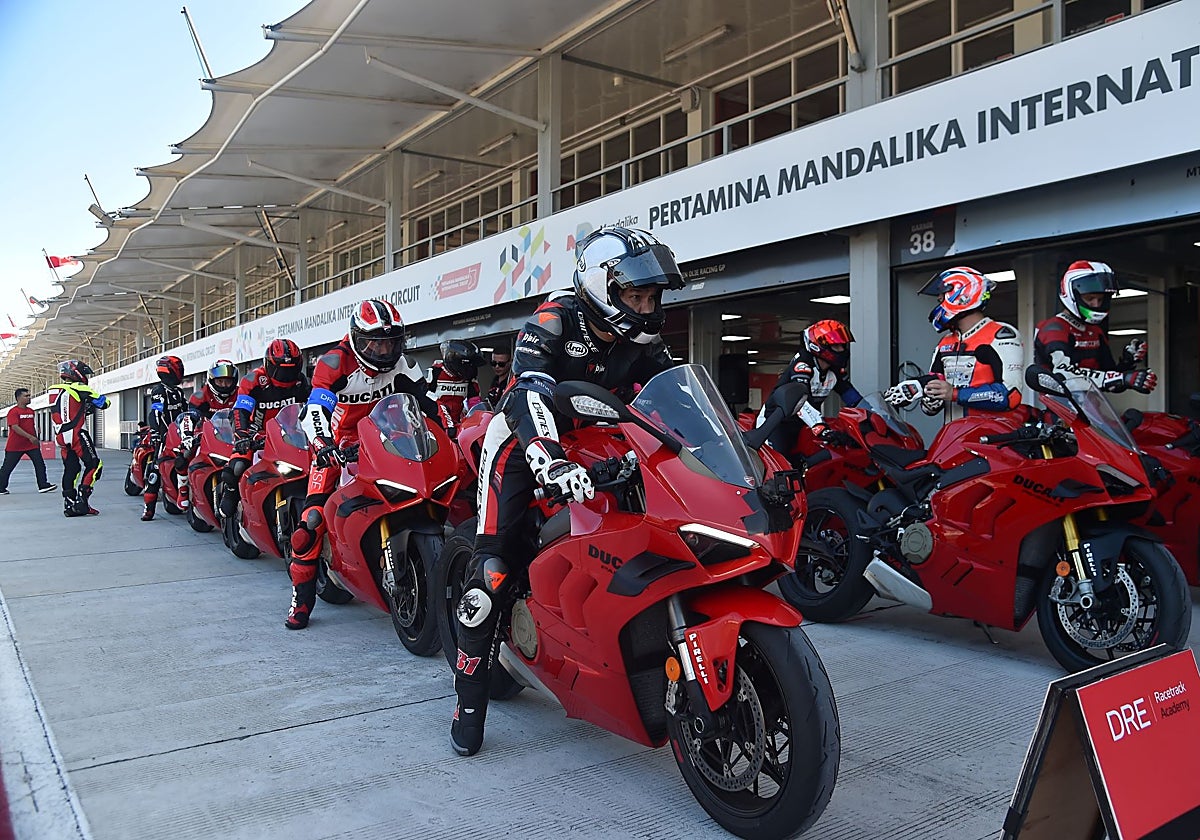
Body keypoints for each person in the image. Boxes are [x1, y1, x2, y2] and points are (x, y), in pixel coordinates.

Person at [450, 226, 682, 757]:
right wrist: (548, 459)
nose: (647, 308)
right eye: (636, 296)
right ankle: (468, 705)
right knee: (491, 575)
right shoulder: (555, 319)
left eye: (652, 297)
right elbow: (528, 391)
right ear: (602, 286)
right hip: (520, 445)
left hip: (598, 444)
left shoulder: (643, 339)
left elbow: (674, 396)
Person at [287, 300, 440, 630]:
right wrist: (323, 444)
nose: (384, 351)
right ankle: (301, 601)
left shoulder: (402, 363)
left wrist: (448, 430)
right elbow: (316, 410)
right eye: (374, 343)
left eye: (390, 342)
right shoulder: (334, 363)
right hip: (337, 446)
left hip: (385, 440)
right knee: (311, 522)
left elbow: (428, 403)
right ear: (356, 338)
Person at [884, 266, 1024, 420]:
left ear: (962, 296)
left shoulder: (1000, 335)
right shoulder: (946, 341)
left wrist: (955, 394)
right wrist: (925, 393)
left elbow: (1011, 395)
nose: (939, 299)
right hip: (953, 431)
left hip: (991, 432)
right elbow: (935, 385)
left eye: (942, 296)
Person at [1033, 260, 1157, 395]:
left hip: (1092, 405)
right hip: (1058, 405)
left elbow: (1110, 382)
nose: (1096, 304)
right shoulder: (1054, 329)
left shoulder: (1095, 331)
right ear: (1072, 294)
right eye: (1090, 298)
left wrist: (1128, 363)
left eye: (1100, 299)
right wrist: (1121, 378)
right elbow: (1065, 376)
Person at [219, 339, 309, 519]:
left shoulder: (301, 382)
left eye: (291, 369)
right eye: (281, 370)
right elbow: (241, 410)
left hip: (289, 434)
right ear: (269, 365)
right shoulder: (253, 381)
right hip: (255, 434)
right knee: (236, 467)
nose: (286, 375)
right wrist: (242, 435)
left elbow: (309, 408)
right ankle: (230, 493)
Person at [757, 319, 861, 467]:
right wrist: (820, 427)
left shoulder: (835, 371)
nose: (842, 350)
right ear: (820, 346)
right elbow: (799, 401)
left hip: (803, 424)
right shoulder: (803, 365)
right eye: (836, 346)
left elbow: (853, 399)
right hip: (776, 423)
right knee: (781, 466)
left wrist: (872, 416)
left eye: (843, 345)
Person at [171, 360, 240, 507]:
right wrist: (188, 435)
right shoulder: (200, 396)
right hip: (205, 432)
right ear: (212, 380)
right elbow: (189, 416)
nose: (224, 385)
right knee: (184, 454)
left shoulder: (241, 394)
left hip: (234, 433)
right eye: (220, 381)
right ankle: (183, 489)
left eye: (227, 381)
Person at [50, 360, 108, 516]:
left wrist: (83, 407)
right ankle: (82, 502)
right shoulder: (79, 387)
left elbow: (66, 410)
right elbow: (104, 403)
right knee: (95, 465)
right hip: (77, 434)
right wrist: (92, 402)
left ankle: (69, 505)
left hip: (60, 437)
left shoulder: (54, 391)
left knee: (71, 469)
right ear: (76, 373)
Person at [141, 355, 189, 521]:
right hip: (164, 437)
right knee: (155, 471)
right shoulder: (159, 391)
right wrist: (156, 432)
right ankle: (148, 509)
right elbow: (155, 413)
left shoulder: (178, 392)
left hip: (181, 435)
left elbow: (188, 412)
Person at [0, 388, 56, 495]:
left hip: (31, 445)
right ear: (18, 398)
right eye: (26, 396)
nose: (29, 398)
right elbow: (15, 427)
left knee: (40, 464)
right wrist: (30, 437)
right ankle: (1, 488)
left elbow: (31, 426)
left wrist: (35, 437)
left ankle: (43, 485)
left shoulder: (30, 411)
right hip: (15, 446)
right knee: (7, 468)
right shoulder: (13, 412)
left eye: (29, 395)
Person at [426, 338, 484, 436]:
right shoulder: (434, 373)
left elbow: (475, 404)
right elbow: (427, 399)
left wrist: (478, 424)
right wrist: (447, 424)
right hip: (434, 426)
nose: (471, 369)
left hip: (458, 426)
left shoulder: (470, 379)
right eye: (468, 365)